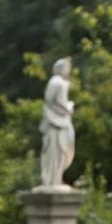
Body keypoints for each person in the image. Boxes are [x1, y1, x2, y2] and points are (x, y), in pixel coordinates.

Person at [39, 57, 75, 188]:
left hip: (58, 121)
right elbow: (54, 101)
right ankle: (53, 180)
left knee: (59, 153)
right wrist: (68, 108)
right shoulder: (59, 82)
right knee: (56, 152)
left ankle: (55, 179)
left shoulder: (57, 81)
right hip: (56, 122)